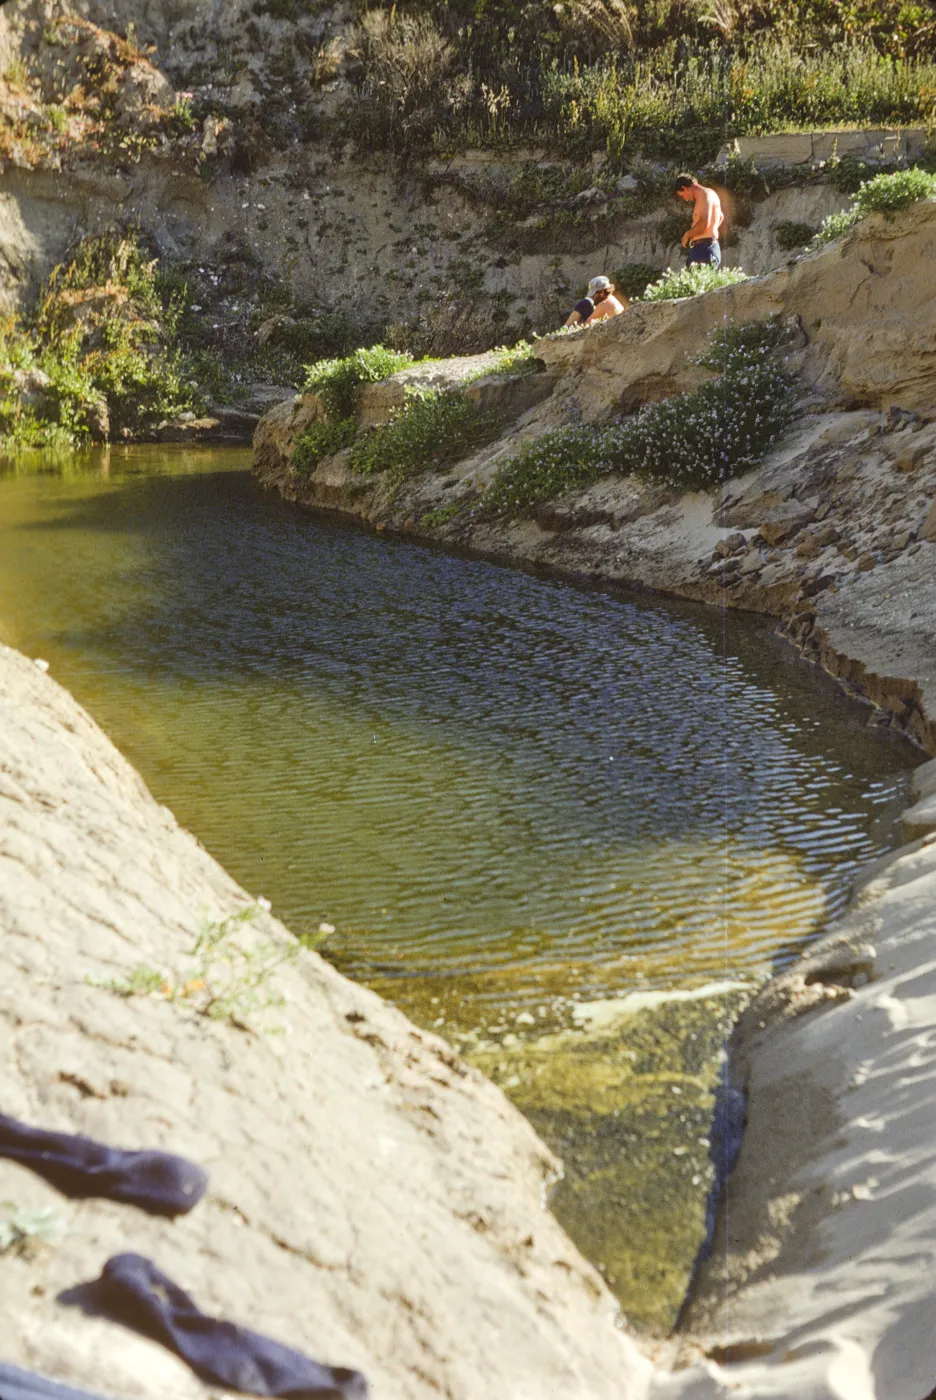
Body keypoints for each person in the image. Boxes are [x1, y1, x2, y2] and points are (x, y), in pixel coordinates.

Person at [674, 174, 725, 267]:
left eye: (682, 195)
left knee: (699, 281)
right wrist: (711, 230)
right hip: (702, 249)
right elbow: (720, 216)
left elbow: (704, 223)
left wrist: (687, 235)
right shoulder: (706, 195)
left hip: (705, 249)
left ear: (684, 188)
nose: (685, 199)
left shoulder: (705, 194)